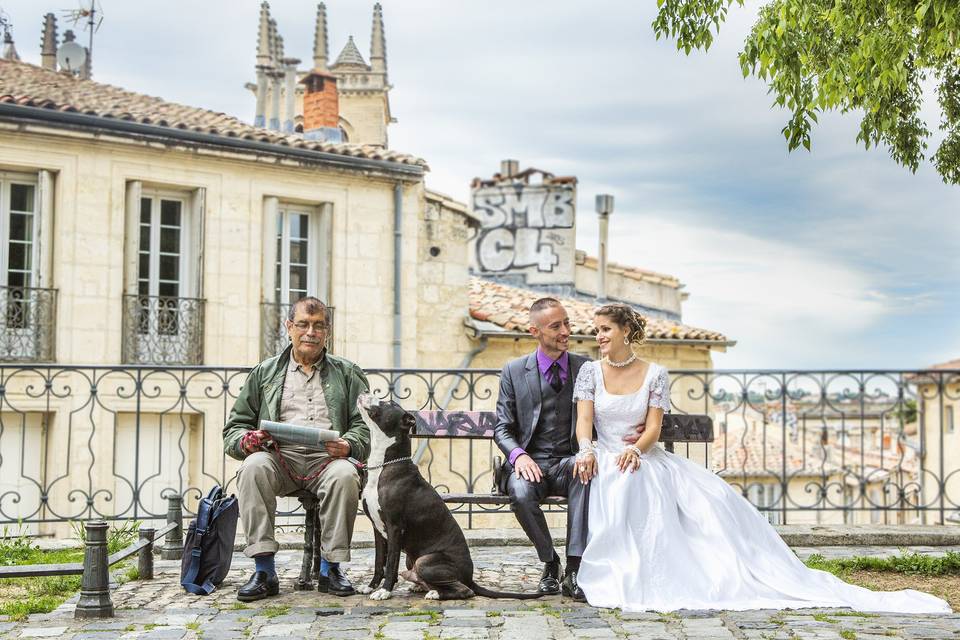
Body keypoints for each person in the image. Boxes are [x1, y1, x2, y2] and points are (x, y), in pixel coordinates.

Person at [571, 302, 951, 613]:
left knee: (690, 493)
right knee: (619, 480)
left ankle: (664, 570)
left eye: (605, 329)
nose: (599, 336)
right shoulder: (590, 372)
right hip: (602, 452)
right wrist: (587, 450)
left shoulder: (655, 373)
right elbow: (584, 422)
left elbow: (653, 427)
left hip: (641, 455)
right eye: (597, 330)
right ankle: (612, 570)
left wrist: (637, 450)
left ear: (624, 331)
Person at [223, 297, 370, 602]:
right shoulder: (265, 373)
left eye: (318, 325)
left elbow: (365, 427)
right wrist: (248, 441)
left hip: (327, 461)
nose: (310, 332)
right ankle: (264, 571)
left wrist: (348, 445)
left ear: (327, 330)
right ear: (289, 327)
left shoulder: (347, 373)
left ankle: (331, 570)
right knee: (253, 467)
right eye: (303, 324)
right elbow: (233, 430)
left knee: (345, 475)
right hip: (280, 460)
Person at [493, 297, 590, 601]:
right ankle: (550, 563)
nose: (565, 331)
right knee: (520, 494)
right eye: (556, 326)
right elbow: (502, 427)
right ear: (535, 331)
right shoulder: (513, 371)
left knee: (586, 476)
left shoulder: (585, 367)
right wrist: (518, 455)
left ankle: (574, 569)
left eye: (567, 323)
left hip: (567, 460)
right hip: (529, 462)